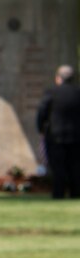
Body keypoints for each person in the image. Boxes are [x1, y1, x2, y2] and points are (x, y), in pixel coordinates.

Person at [38, 64, 80, 199]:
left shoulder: (51, 92)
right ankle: (75, 193)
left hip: (55, 136)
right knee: (75, 167)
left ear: (58, 78)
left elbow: (42, 112)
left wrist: (41, 128)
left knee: (58, 168)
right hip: (76, 136)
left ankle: (58, 193)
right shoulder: (77, 93)